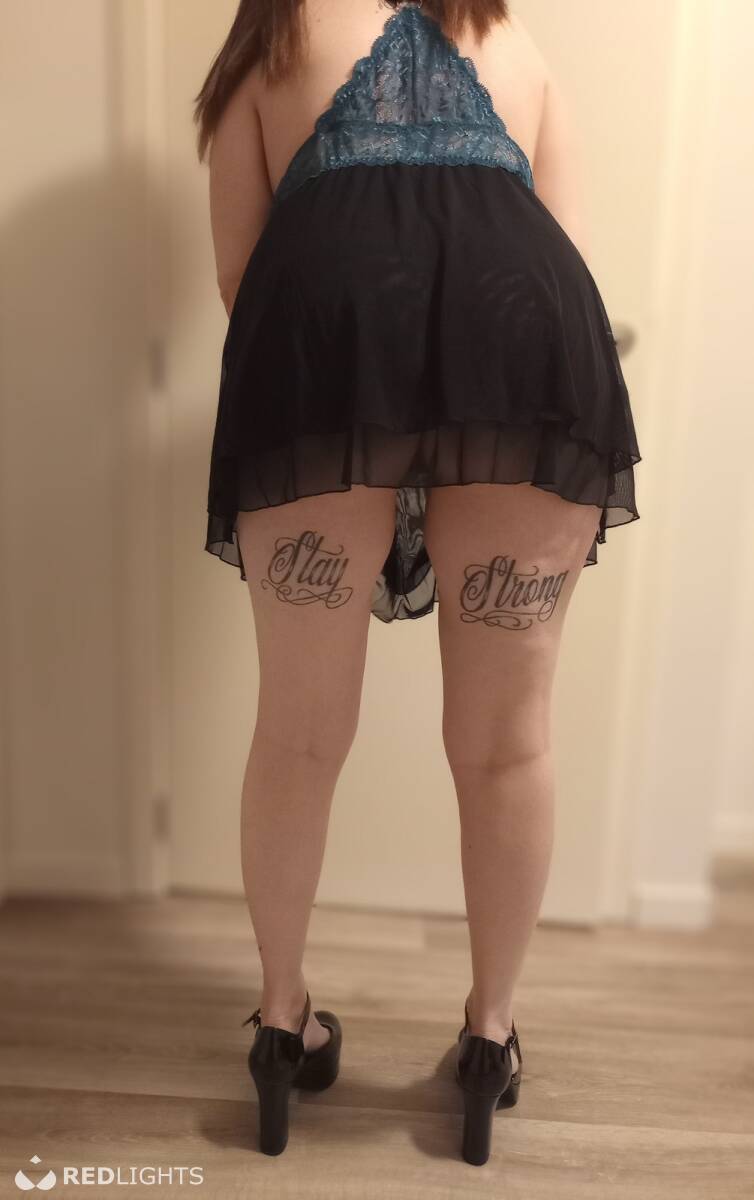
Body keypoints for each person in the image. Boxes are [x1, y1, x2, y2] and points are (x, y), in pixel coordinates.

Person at [194, 0, 642, 1164]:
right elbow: (565, 255)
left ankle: (282, 1024)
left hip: (320, 351)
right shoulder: (517, 44)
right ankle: (491, 1037)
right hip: (529, 354)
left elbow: (242, 276)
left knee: (297, 733)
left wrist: (365, 392)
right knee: (508, 743)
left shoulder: (268, 38)